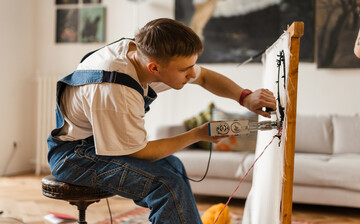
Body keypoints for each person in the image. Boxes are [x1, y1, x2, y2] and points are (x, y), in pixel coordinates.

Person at [47, 18, 276, 223]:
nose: (191, 74)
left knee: (173, 166)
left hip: (95, 144)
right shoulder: (116, 90)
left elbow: (204, 76)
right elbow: (140, 152)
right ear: (154, 68)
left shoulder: (146, 54)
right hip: (74, 157)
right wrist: (197, 134)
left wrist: (244, 97)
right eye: (185, 70)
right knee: (166, 185)